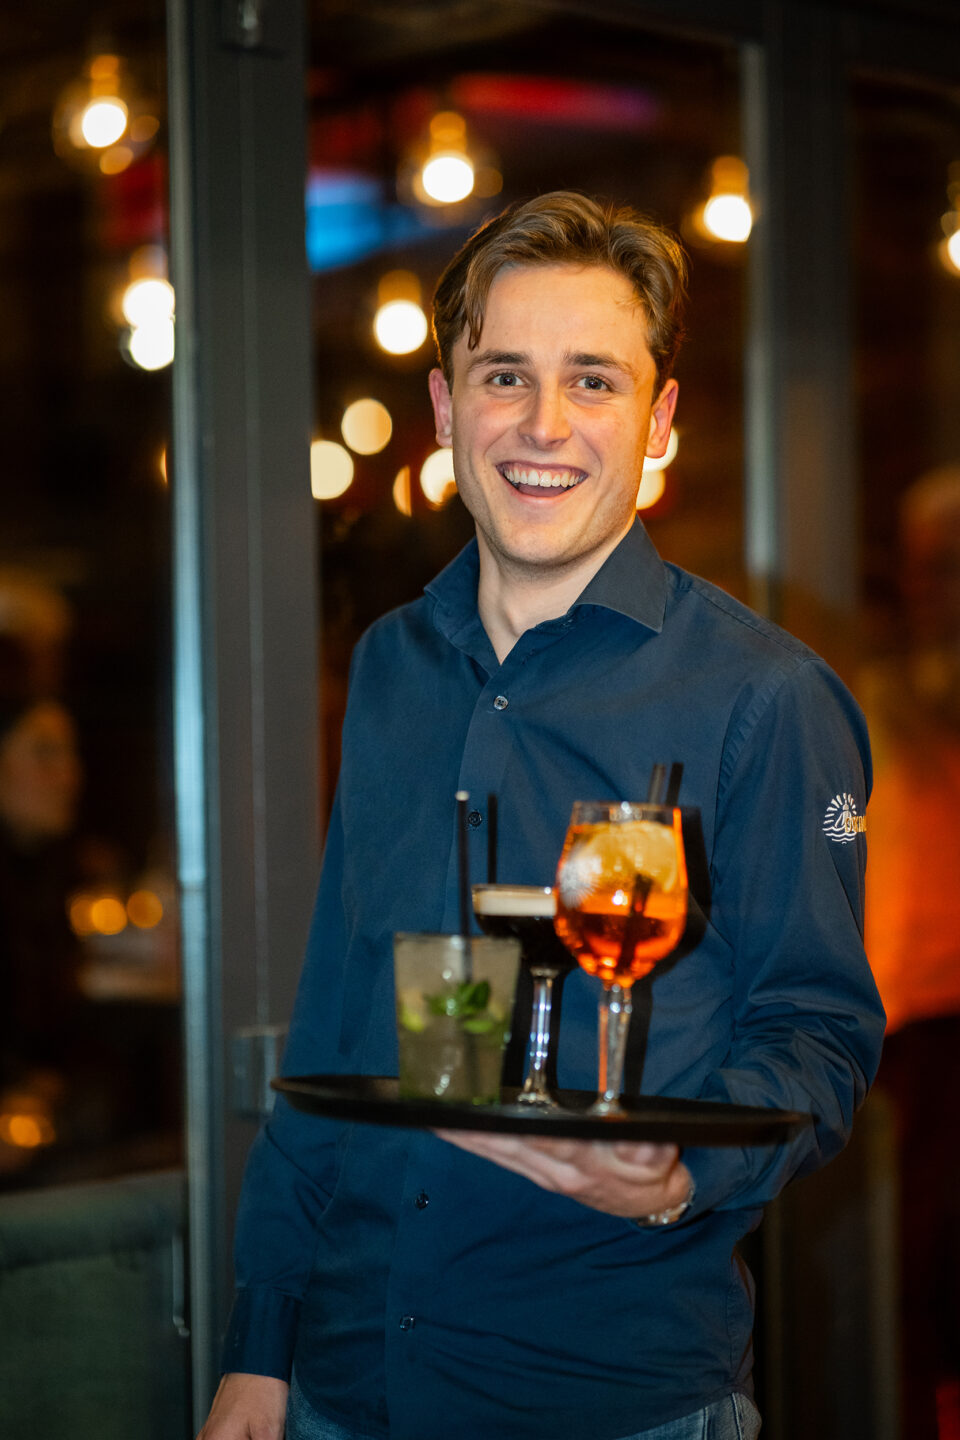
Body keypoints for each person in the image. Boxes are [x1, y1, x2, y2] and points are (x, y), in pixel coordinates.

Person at [199, 191, 884, 1440]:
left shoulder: (766, 700)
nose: (543, 424)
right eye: (504, 375)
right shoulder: (394, 665)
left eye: (594, 382)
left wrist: (680, 1173)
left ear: (658, 420)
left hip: (607, 1395)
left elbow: (821, 1037)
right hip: (342, 1385)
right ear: (446, 407)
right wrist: (263, 1342)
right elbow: (341, 1011)